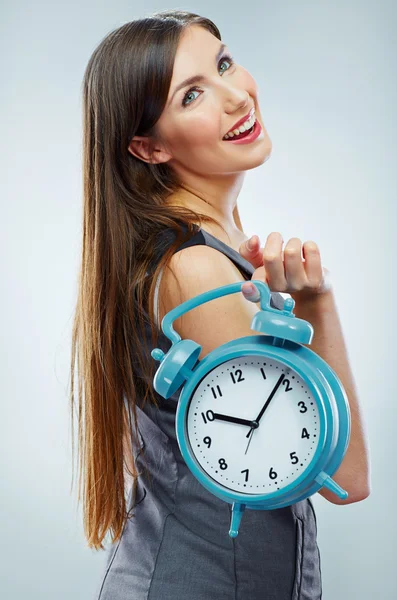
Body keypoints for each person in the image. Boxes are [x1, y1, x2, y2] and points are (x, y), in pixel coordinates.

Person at [70, 10, 370, 600]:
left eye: (225, 64)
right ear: (148, 147)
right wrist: (318, 303)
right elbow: (342, 477)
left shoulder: (211, 247)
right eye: (193, 94)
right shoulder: (195, 268)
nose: (237, 97)